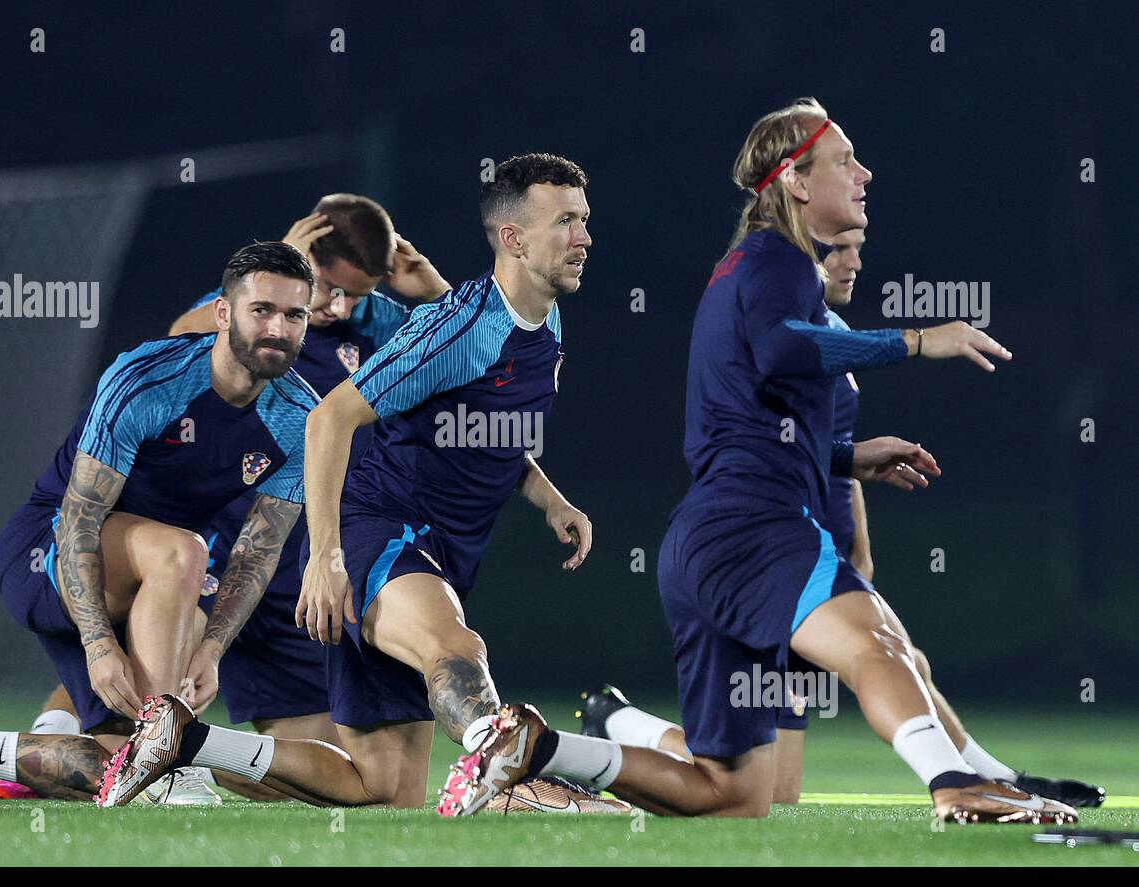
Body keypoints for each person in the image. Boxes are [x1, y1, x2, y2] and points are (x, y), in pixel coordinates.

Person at [443, 99, 1077, 825]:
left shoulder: (750, 265)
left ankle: (542, 749)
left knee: (735, 794)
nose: (863, 174)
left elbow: (747, 407)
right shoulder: (779, 259)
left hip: (706, 540)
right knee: (878, 644)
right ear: (797, 182)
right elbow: (781, 351)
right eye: (844, 160)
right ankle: (955, 786)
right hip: (757, 528)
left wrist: (841, 457)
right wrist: (916, 340)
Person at [95, 153, 603, 812]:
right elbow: (328, 421)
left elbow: (483, 422)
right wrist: (330, 557)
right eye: (565, 221)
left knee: (385, 791)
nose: (584, 237)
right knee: (455, 646)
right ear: (514, 238)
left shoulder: (539, 319)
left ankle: (184, 744)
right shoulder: (466, 323)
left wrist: (548, 495)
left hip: (436, 550)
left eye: (584, 220)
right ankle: (494, 750)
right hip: (382, 532)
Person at [577, 228, 1103, 810]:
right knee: (888, 655)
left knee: (769, 790)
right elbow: (754, 433)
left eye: (858, 247)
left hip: (794, 542)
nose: (854, 262)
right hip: (762, 549)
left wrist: (853, 477)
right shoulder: (775, 326)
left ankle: (618, 725)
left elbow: (810, 448)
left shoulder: (829, 334)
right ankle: (975, 781)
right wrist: (919, 339)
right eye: (838, 250)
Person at [0, 241, 318, 802]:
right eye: (261, 310)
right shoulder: (149, 380)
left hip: (155, 584)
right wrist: (99, 645)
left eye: (294, 315)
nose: (278, 328)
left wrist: (214, 650)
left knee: (111, 769)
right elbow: (79, 519)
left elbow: (257, 553)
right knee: (186, 554)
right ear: (223, 313)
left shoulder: (299, 417)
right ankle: (165, 756)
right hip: (51, 555)